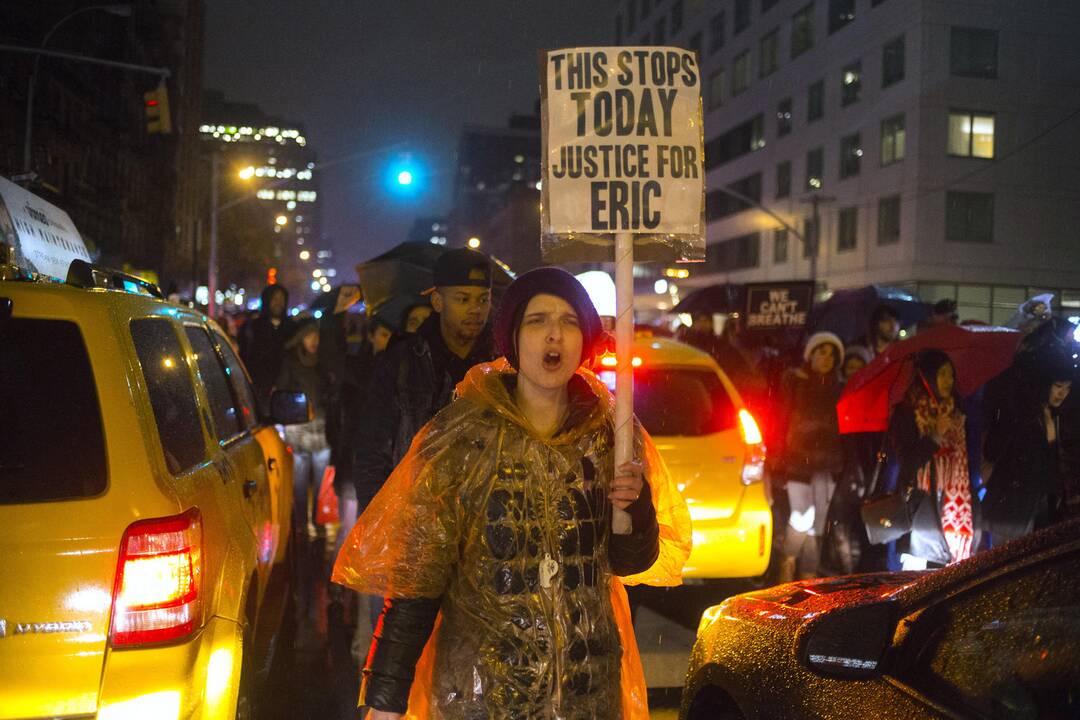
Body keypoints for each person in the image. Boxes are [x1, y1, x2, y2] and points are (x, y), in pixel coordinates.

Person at [332, 267, 691, 719]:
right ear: (513, 338)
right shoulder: (464, 437)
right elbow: (418, 582)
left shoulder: (610, 435)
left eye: (569, 321)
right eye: (537, 320)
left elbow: (628, 562)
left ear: (585, 341)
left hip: (587, 692)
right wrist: (385, 697)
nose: (554, 335)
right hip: (483, 696)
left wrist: (635, 509)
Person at [347, 248, 499, 650]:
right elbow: (373, 450)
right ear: (437, 300)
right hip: (415, 534)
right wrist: (383, 529)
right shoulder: (401, 363)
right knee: (406, 651)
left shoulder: (505, 366)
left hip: (488, 539)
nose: (475, 310)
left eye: (482, 300)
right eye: (462, 299)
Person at [888, 350, 976, 568]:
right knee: (915, 580)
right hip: (919, 506)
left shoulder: (956, 411)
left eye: (951, 374)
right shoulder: (907, 411)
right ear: (927, 375)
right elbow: (906, 460)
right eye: (942, 374)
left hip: (950, 504)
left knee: (945, 579)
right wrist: (934, 437)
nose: (949, 381)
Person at [774, 331, 845, 580]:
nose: (826, 358)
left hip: (829, 463)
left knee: (817, 524)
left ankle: (808, 577)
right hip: (798, 461)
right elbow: (780, 420)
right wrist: (777, 458)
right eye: (821, 352)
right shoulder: (796, 382)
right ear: (811, 354)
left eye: (831, 354)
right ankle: (788, 560)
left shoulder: (841, 387)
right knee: (802, 516)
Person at [983, 350, 1075, 543]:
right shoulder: (1023, 415)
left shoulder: (1058, 416)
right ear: (1045, 385)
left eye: (1067, 388)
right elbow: (997, 449)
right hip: (1015, 508)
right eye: (1058, 386)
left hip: (1043, 507)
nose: (1062, 393)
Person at [275, 319, 332, 540]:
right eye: (309, 335)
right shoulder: (291, 361)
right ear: (301, 337)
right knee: (299, 483)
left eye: (317, 336)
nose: (314, 341)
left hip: (322, 431)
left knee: (321, 482)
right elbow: (282, 391)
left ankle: (318, 523)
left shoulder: (325, 362)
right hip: (297, 430)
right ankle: (300, 523)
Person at [239, 284, 296, 406]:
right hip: (258, 393)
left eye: (282, 299)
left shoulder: (293, 328)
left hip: (286, 393)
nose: (278, 303)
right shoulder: (252, 328)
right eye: (274, 299)